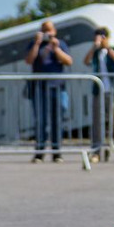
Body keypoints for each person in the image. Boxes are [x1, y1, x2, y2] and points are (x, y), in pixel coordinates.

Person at [24, 20, 73, 162]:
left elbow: (69, 61)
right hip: (40, 88)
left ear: (54, 31)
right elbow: (29, 60)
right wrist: (37, 43)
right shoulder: (34, 44)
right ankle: (39, 152)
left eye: (49, 30)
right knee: (41, 121)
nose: (47, 33)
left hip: (58, 87)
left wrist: (56, 48)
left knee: (57, 120)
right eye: (44, 30)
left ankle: (57, 152)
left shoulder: (60, 44)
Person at [83, 25, 114, 158]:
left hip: (113, 91)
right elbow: (86, 61)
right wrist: (94, 47)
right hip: (98, 91)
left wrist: (108, 48)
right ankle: (96, 152)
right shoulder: (96, 53)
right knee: (97, 123)